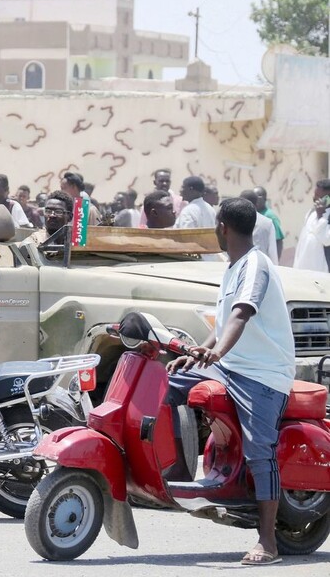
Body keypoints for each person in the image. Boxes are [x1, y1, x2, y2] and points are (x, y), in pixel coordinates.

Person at [166, 197, 294, 566]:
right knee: (169, 385)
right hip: (231, 365)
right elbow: (223, 324)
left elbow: (242, 314)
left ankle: (267, 542)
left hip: (262, 373)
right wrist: (197, 353)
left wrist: (217, 353)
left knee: (259, 450)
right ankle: (177, 476)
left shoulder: (255, 266)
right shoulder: (234, 265)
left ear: (222, 227)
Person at [292, 179, 330, 272]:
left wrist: (321, 217)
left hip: (321, 272)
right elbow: (302, 240)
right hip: (302, 269)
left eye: (318, 196)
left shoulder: (326, 217)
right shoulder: (312, 212)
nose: (314, 198)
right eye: (315, 194)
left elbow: (326, 240)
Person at [240, 190, 278, 264]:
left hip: (239, 266)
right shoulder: (267, 223)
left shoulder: (233, 220)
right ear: (256, 203)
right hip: (260, 265)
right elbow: (272, 252)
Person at [253, 187, 284, 259]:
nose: (255, 199)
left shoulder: (270, 217)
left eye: (258, 196)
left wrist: (275, 264)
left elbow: (279, 241)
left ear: (265, 199)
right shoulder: (252, 214)